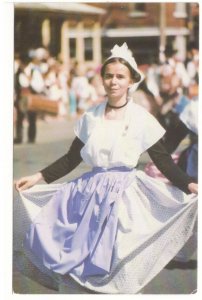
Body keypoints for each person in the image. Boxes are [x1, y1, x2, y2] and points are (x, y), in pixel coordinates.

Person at [15, 43, 198, 294]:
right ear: (102, 79)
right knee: (78, 256)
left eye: (120, 77)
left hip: (125, 197)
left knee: (117, 257)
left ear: (131, 81)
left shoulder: (142, 118)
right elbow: (71, 158)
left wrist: (188, 183)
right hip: (88, 195)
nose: (113, 81)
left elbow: (163, 161)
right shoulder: (91, 117)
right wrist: (38, 176)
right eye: (109, 75)